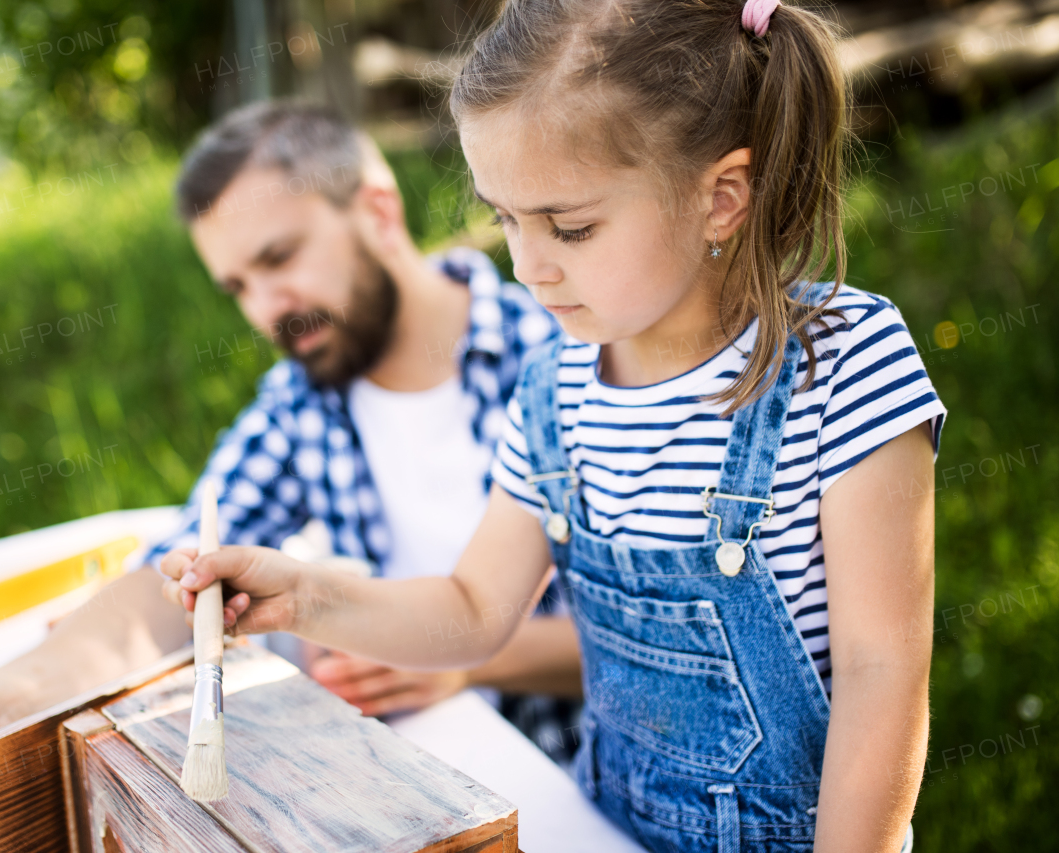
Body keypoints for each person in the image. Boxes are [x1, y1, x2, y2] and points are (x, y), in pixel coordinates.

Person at [159, 1, 945, 850]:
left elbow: (883, 670)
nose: (529, 266)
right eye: (505, 217)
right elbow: (472, 609)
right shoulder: (554, 390)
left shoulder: (846, 364)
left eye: (569, 226)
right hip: (604, 824)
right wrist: (303, 595)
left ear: (720, 199)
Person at [0, 101, 582, 822]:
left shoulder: (562, 356)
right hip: (428, 782)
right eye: (237, 285)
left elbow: (675, 637)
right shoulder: (303, 400)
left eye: (279, 257)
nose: (267, 307)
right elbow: (170, 582)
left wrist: (469, 661)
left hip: (582, 788)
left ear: (377, 209)